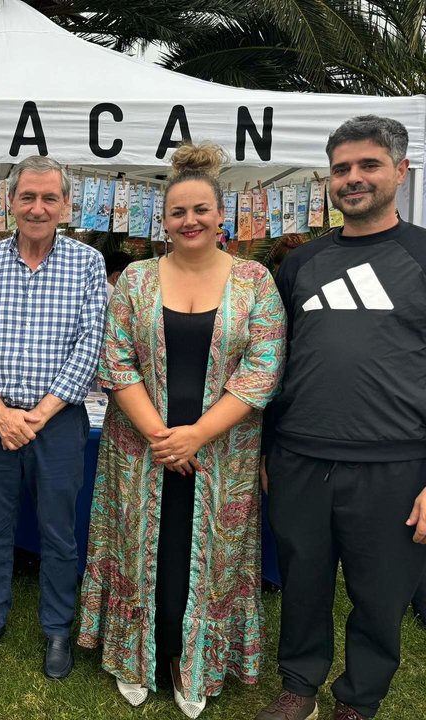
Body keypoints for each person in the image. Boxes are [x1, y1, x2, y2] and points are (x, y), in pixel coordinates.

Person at [77, 144, 287, 718]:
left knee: (208, 559)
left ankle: (192, 662)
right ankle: (134, 656)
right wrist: (161, 437)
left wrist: (196, 436)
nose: (190, 220)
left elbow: (264, 366)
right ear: (163, 220)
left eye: (201, 210)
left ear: (222, 215)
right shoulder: (138, 280)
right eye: (178, 212)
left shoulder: (254, 281)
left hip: (223, 452)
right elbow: (115, 362)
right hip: (140, 450)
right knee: (143, 549)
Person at [256, 115, 426, 720]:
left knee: (380, 594)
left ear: (401, 172)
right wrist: (267, 450)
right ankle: (298, 686)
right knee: (302, 581)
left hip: (396, 462)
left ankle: (359, 699)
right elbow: (272, 364)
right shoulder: (301, 265)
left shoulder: (422, 255)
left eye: (368, 165)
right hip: (299, 455)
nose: (353, 178)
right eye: (342, 168)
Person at [0, 155, 106, 679]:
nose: (37, 207)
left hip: (58, 421)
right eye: (28, 197)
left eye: (49, 198)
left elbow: (92, 345)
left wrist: (38, 415)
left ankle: (57, 628)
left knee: (59, 531)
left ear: (66, 205)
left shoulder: (87, 265)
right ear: (11, 202)